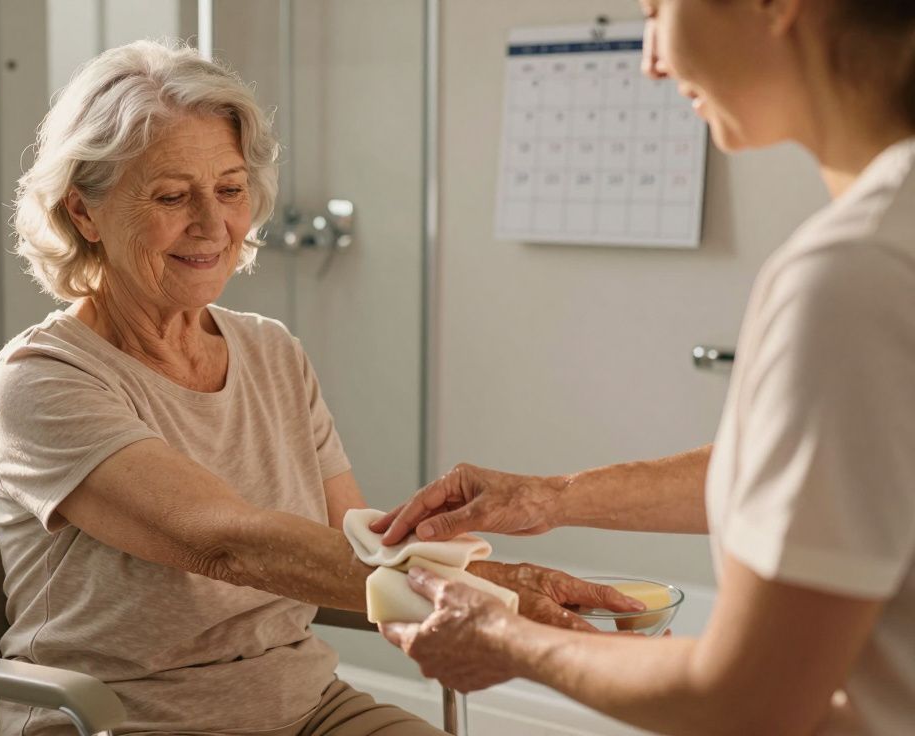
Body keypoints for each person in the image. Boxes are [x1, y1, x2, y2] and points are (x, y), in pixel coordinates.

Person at [0, 40, 635, 736]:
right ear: (84, 213)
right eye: (172, 196)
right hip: (124, 720)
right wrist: (501, 597)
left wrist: (486, 590)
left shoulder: (271, 352)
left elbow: (355, 551)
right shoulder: (42, 379)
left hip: (304, 706)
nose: (212, 224)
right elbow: (227, 545)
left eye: (230, 189)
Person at [373, 0, 915, 733]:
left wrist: (506, 640)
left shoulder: (853, 272)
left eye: (658, 9)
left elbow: (749, 699)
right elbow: (834, 477)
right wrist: (552, 497)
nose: (651, 58)